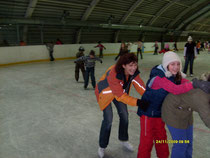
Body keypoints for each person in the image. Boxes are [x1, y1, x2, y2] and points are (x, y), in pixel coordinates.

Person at [136, 51, 208, 158]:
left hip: (160, 114)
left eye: (178, 64)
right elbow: (175, 89)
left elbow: (183, 82)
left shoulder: (172, 75)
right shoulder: (158, 77)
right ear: (166, 65)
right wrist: (194, 84)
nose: (176, 67)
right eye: (172, 64)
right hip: (148, 114)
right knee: (147, 142)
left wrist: (198, 83)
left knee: (161, 141)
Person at [95, 53, 149, 158]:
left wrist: (150, 97)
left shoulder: (133, 73)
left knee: (124, 116)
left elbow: (140, 86)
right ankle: (102, 146)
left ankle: (123, 139)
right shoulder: (113, 73)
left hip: (119, 93)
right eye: (130, 65)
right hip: (105, 94)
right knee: (108, 120)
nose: (133, 68)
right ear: (124, 65)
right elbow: (120, 96)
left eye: (135, 65)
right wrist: (138, 102)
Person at [161, 72, 210, 158]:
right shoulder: (201, 96)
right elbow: (207, 118)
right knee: (181, 145)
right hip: (173, 111)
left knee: (188, 143)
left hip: (186, 111)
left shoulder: (206, 87)